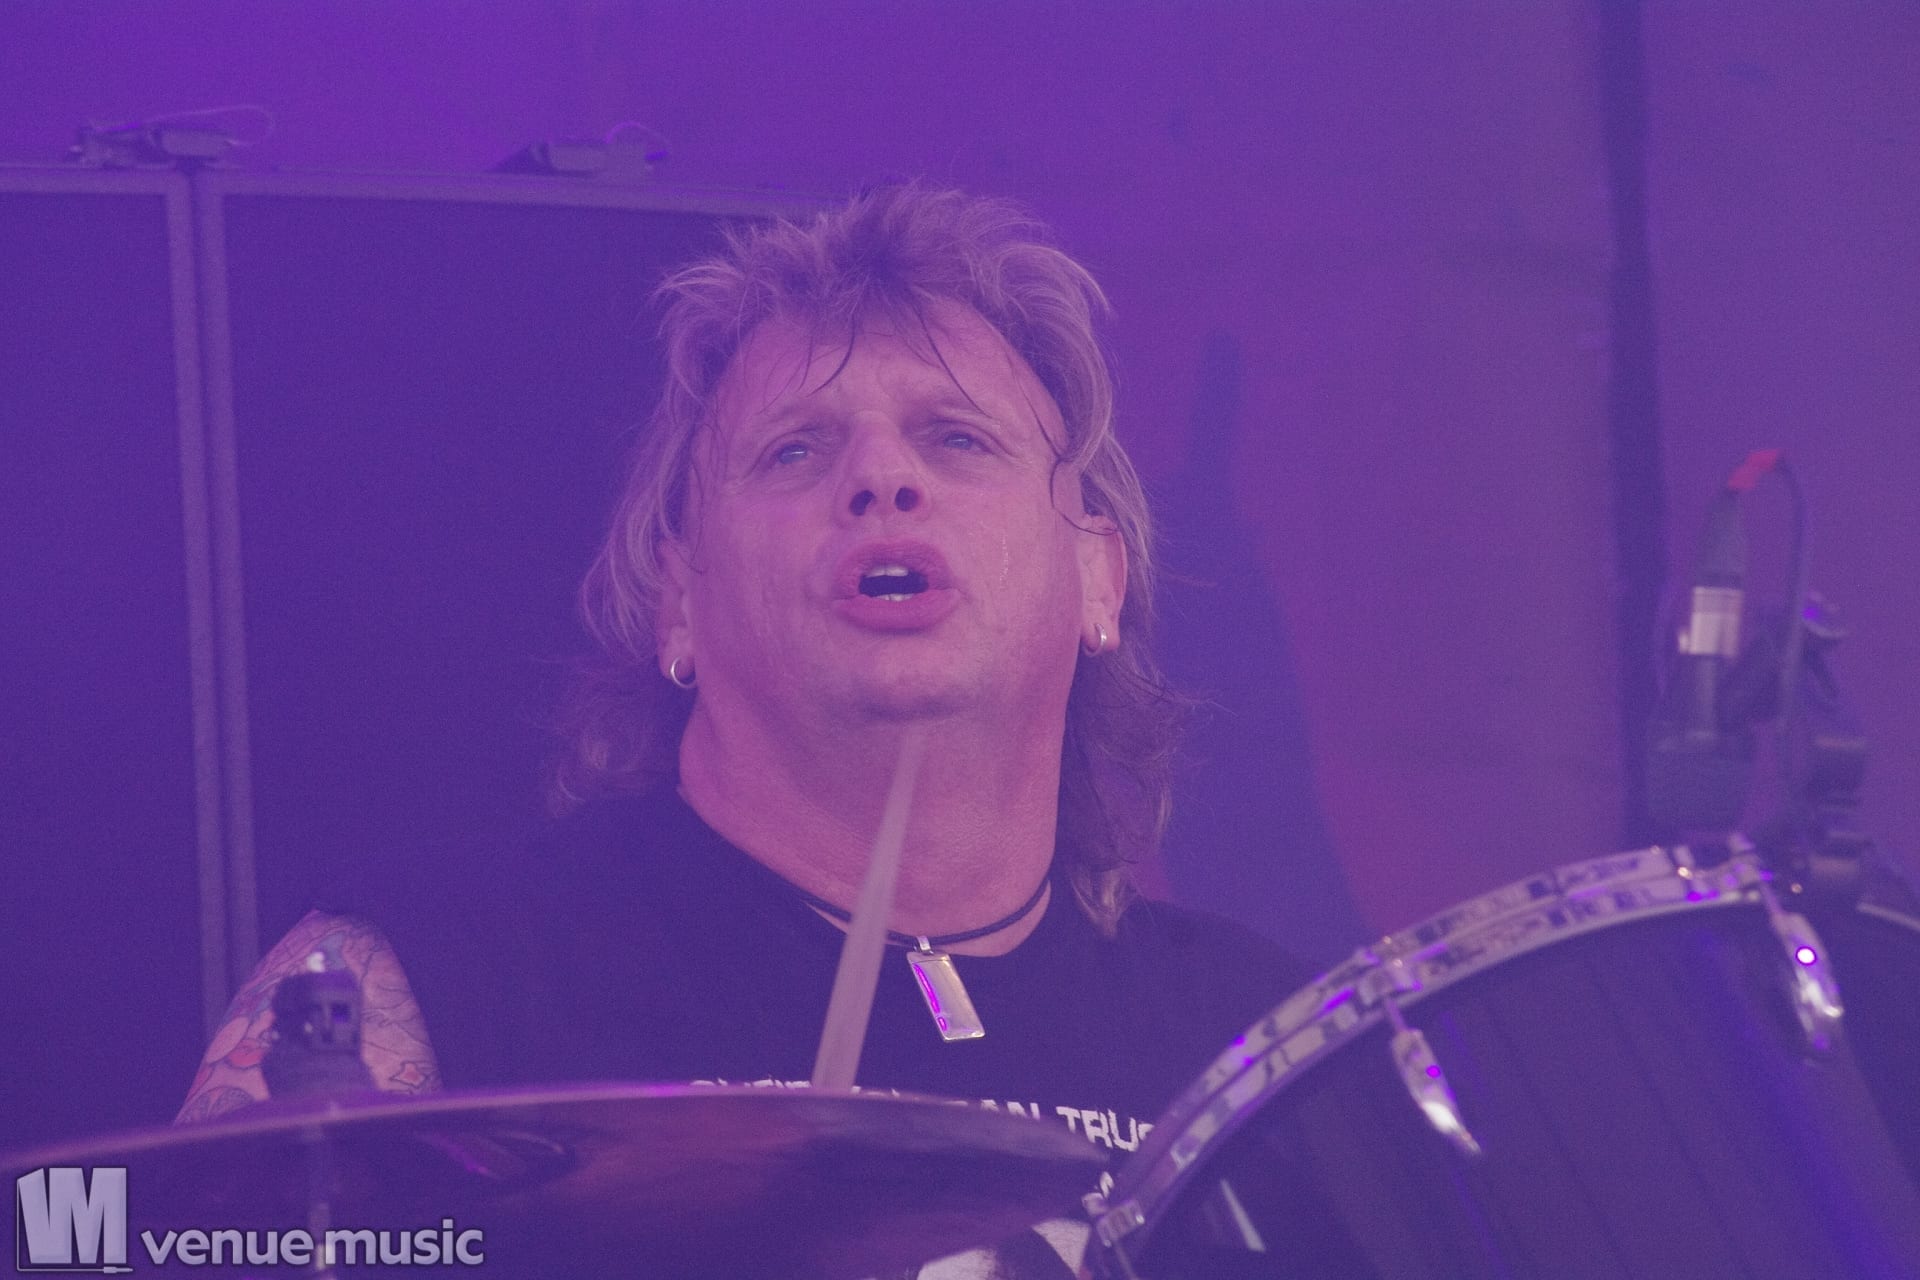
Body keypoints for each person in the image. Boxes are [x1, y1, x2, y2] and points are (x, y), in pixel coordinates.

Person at [179, 184, 1303, 1277]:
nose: (881, 478)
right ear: (677, 597)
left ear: (1099, 575)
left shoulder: (1265, 1052)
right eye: (794, 450)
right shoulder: (439, 977)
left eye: (958, 438)